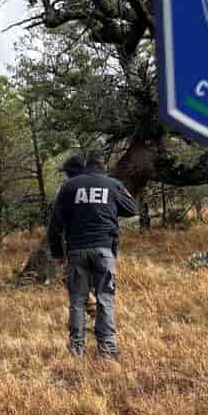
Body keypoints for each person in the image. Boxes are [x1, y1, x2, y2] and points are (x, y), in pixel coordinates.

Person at [48, 152, 137, 359]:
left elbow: (55, 224)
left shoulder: (70, 186)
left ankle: (76, 349)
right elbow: (132, 209)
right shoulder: (111, 184)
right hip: (104, 249)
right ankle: (107, 349)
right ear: (102, 166)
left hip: (77, 250)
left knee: (77, 301)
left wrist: (57, 253)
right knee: (105, 299)